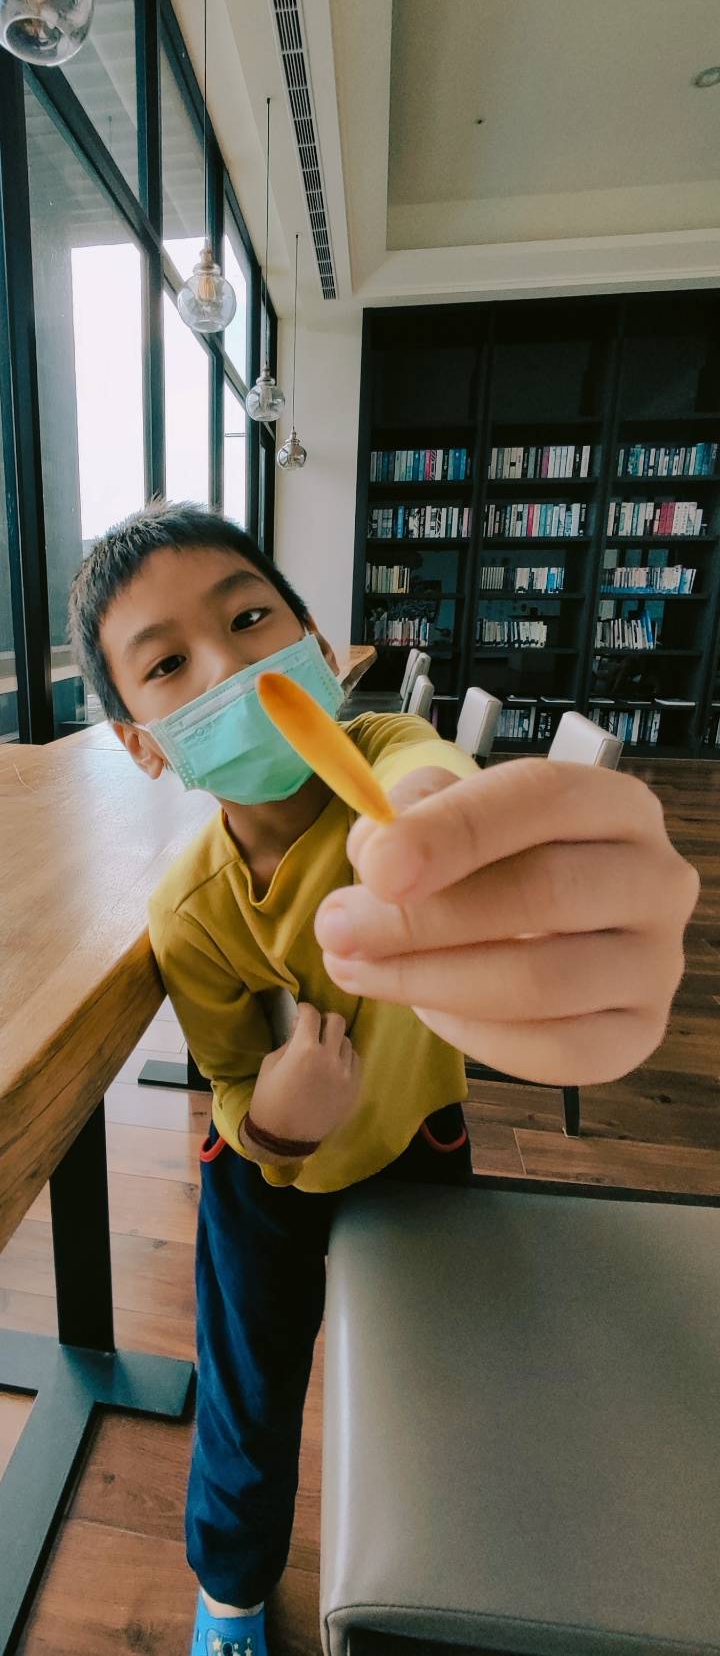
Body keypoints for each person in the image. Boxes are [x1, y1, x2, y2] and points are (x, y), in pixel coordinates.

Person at [69, 503, 699, 1656]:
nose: (231, 666)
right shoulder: (190, 910)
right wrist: (274, 1119)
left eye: (250, 618)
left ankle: (449, 1571)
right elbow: (225, 1080)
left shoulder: (392, 753)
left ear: (319, 643)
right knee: (249, 1389)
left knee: (436, 1369)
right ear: (142, 742)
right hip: (262, 1183)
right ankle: (231, 1592)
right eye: (166, 664)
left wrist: (453, 837)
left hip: (419, 1134)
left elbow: (428, 779)